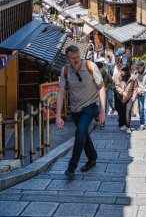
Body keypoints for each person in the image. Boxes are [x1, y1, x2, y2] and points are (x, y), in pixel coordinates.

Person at [56, 45, 106, 179]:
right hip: (75, 108)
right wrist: (58, 116)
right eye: (73, 58)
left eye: (78, 57)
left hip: (91, 104)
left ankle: (71, 167)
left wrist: (102, 110)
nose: (76, 60)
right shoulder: (65, 70)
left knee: (79, 132)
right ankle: (92, 158)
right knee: (83, 134)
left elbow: (101, 87)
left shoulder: (90, 66)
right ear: (67, 58)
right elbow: (61, 92)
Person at [114, 65, 138, 134]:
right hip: (120, 97)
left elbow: (135, 88)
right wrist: (122, 92)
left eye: (122, 71)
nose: (120, 72)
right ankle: (122, 123)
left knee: (128, 111)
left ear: (126, 71)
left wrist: (133, 98)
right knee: (121, 111)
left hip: (129, 97)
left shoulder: (133, 77)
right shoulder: (118, 76)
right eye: (120, 71)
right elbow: (117, 86)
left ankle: (128, 127)